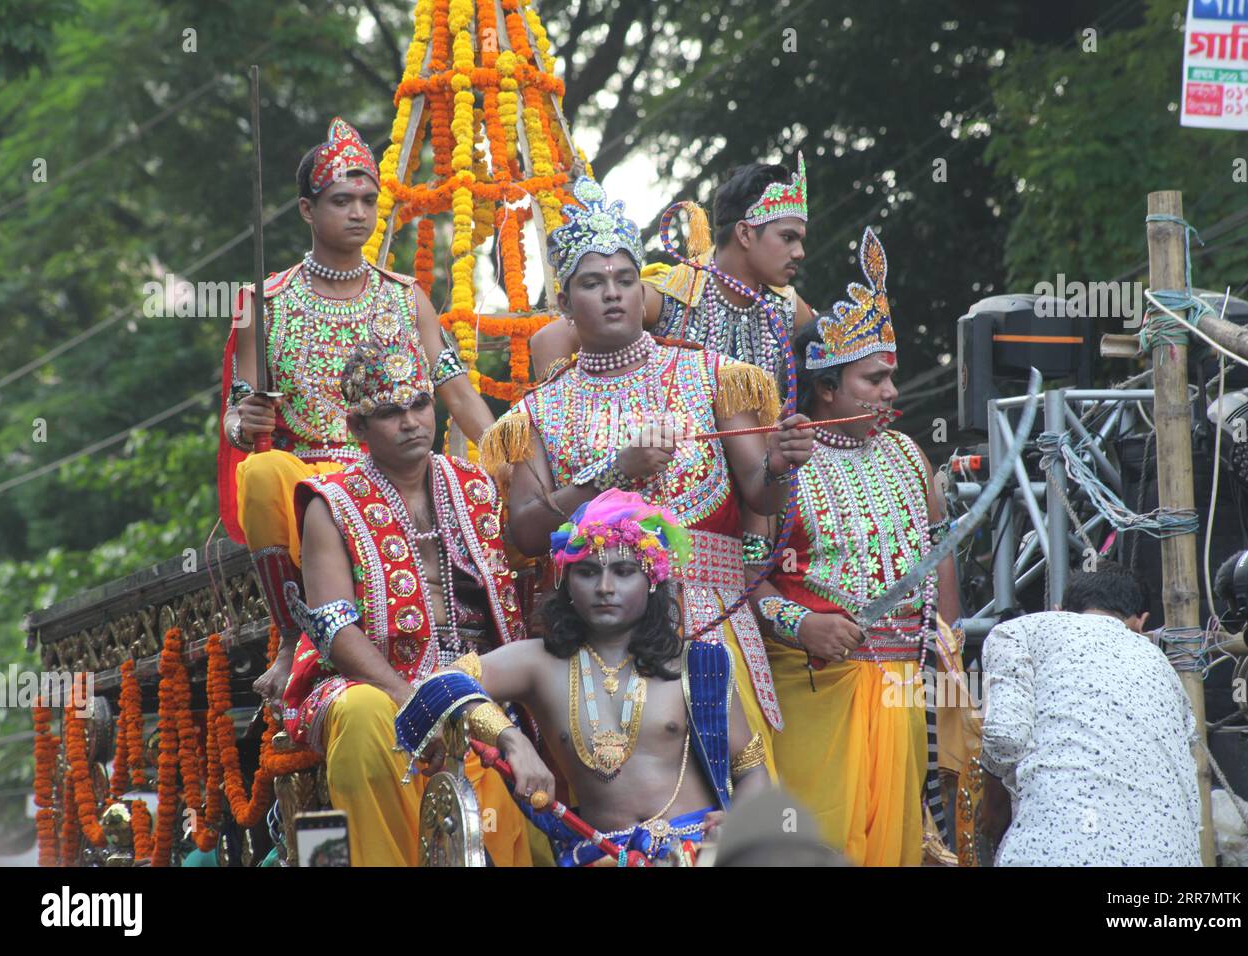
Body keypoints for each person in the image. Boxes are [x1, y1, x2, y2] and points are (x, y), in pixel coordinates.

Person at [480, 175, 815, 768]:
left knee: (733, 800)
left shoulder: (712, 374)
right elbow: (525, 534)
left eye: (625, 279)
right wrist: (614, 471)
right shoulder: (536, 411)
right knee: (619, 804)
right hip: (598, 635)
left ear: (642, 291)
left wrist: (782, 466)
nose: (612, 294)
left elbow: (761, 499)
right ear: (563, 304)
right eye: (592, 282)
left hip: (709, 622)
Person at [217, 118, 495, 701]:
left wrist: (513, 459)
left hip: (406, 475)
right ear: (306, 210)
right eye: (342, 200)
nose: (359, 213)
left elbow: (459, 395)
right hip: (313, 482)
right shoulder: (263, 304)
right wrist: (247, 423)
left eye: (368, 200)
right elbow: (238, 418)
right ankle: (295, 637)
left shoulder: (405, 297)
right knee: (263, 473)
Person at [399, 491, 770, 866]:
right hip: (598, 855)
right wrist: (511, 741)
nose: (605, 588)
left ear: (652, 581)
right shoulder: (539, 662)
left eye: (623, 572)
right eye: (588, 572)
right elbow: (437, 686)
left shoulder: (697, 664)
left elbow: (751, 768)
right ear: (566, 582)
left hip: (695, 853)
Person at [748, 227, 962, 865]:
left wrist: (945, 641)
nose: (892, 394)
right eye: (874, 380)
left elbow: (937, 552)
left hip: (900, 688)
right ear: (826, 388)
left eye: (891, 379)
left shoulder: (906, 453)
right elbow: (736, 578)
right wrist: (802, 622)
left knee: (895, 847)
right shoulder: (783, 465)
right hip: (815, 685)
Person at [279, 342, 533, 867]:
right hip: (375, 683)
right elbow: (333, 626)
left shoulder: (479, 483)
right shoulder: (331, 503)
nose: (412, 421)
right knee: (363, 713)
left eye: (419, 403)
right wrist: (412, 700)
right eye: (390, 412)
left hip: (473, 679)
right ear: (357, 429)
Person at [979, 561, 1203, 866]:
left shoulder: (1020, 632)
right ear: (1142, 623)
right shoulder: (1163, 665)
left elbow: (1006, 739)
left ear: (1059, 610)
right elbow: (1189, 768)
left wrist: (992, 807)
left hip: (1058, 852)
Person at [529, 158, 813, 383]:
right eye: (788, 238)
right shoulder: (671, 296)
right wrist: (567, 421)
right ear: (745, 234)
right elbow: (549, 340)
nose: (799, 252)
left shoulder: (786, 307)